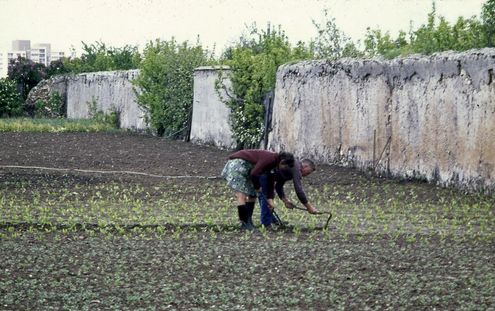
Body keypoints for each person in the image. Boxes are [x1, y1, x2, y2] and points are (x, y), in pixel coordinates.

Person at [221, 149, 295, 230]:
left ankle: (249, 222)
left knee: (252, 195)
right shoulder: (270, 159)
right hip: (238, 165)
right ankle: (244, 223)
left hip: (247, 169)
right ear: (282, 161)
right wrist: (257, 187)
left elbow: (270, 182)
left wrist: (270, 201)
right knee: (241, 195)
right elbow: (254, 173)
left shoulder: (274, 164)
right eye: (285, 167)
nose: (284, 169)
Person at [258, 159, 318, 228]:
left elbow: (279, 185)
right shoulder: (296, 167)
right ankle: (266, 223)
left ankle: (271, 219)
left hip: (268, 174)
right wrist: (309, 207)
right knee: (266, 195)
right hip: (263, 172)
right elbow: (299, 190)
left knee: (269, 195)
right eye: (307, 173)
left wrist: (285, 201)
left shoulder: (290, 168)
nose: (306, 175)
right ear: (305, 166)